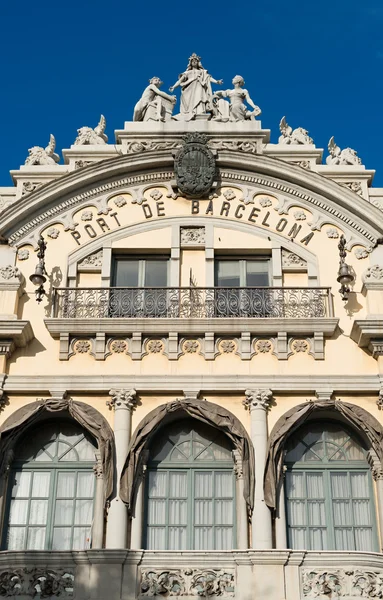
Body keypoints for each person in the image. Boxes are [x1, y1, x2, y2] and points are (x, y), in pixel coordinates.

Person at [169, 54, 223, 121]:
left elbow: (208, 78)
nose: (194, 62)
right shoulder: (187, 72)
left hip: (199, 86)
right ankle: (190, 112)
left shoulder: (202, 72)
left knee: (199, 97)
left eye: (196, 61)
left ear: (198, 62)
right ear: (190, 63)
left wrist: (217, 82)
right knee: (190, 101)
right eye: (192, 61)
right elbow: (180, 81)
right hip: (189, 90)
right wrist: (174, 87)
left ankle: (200, 112)